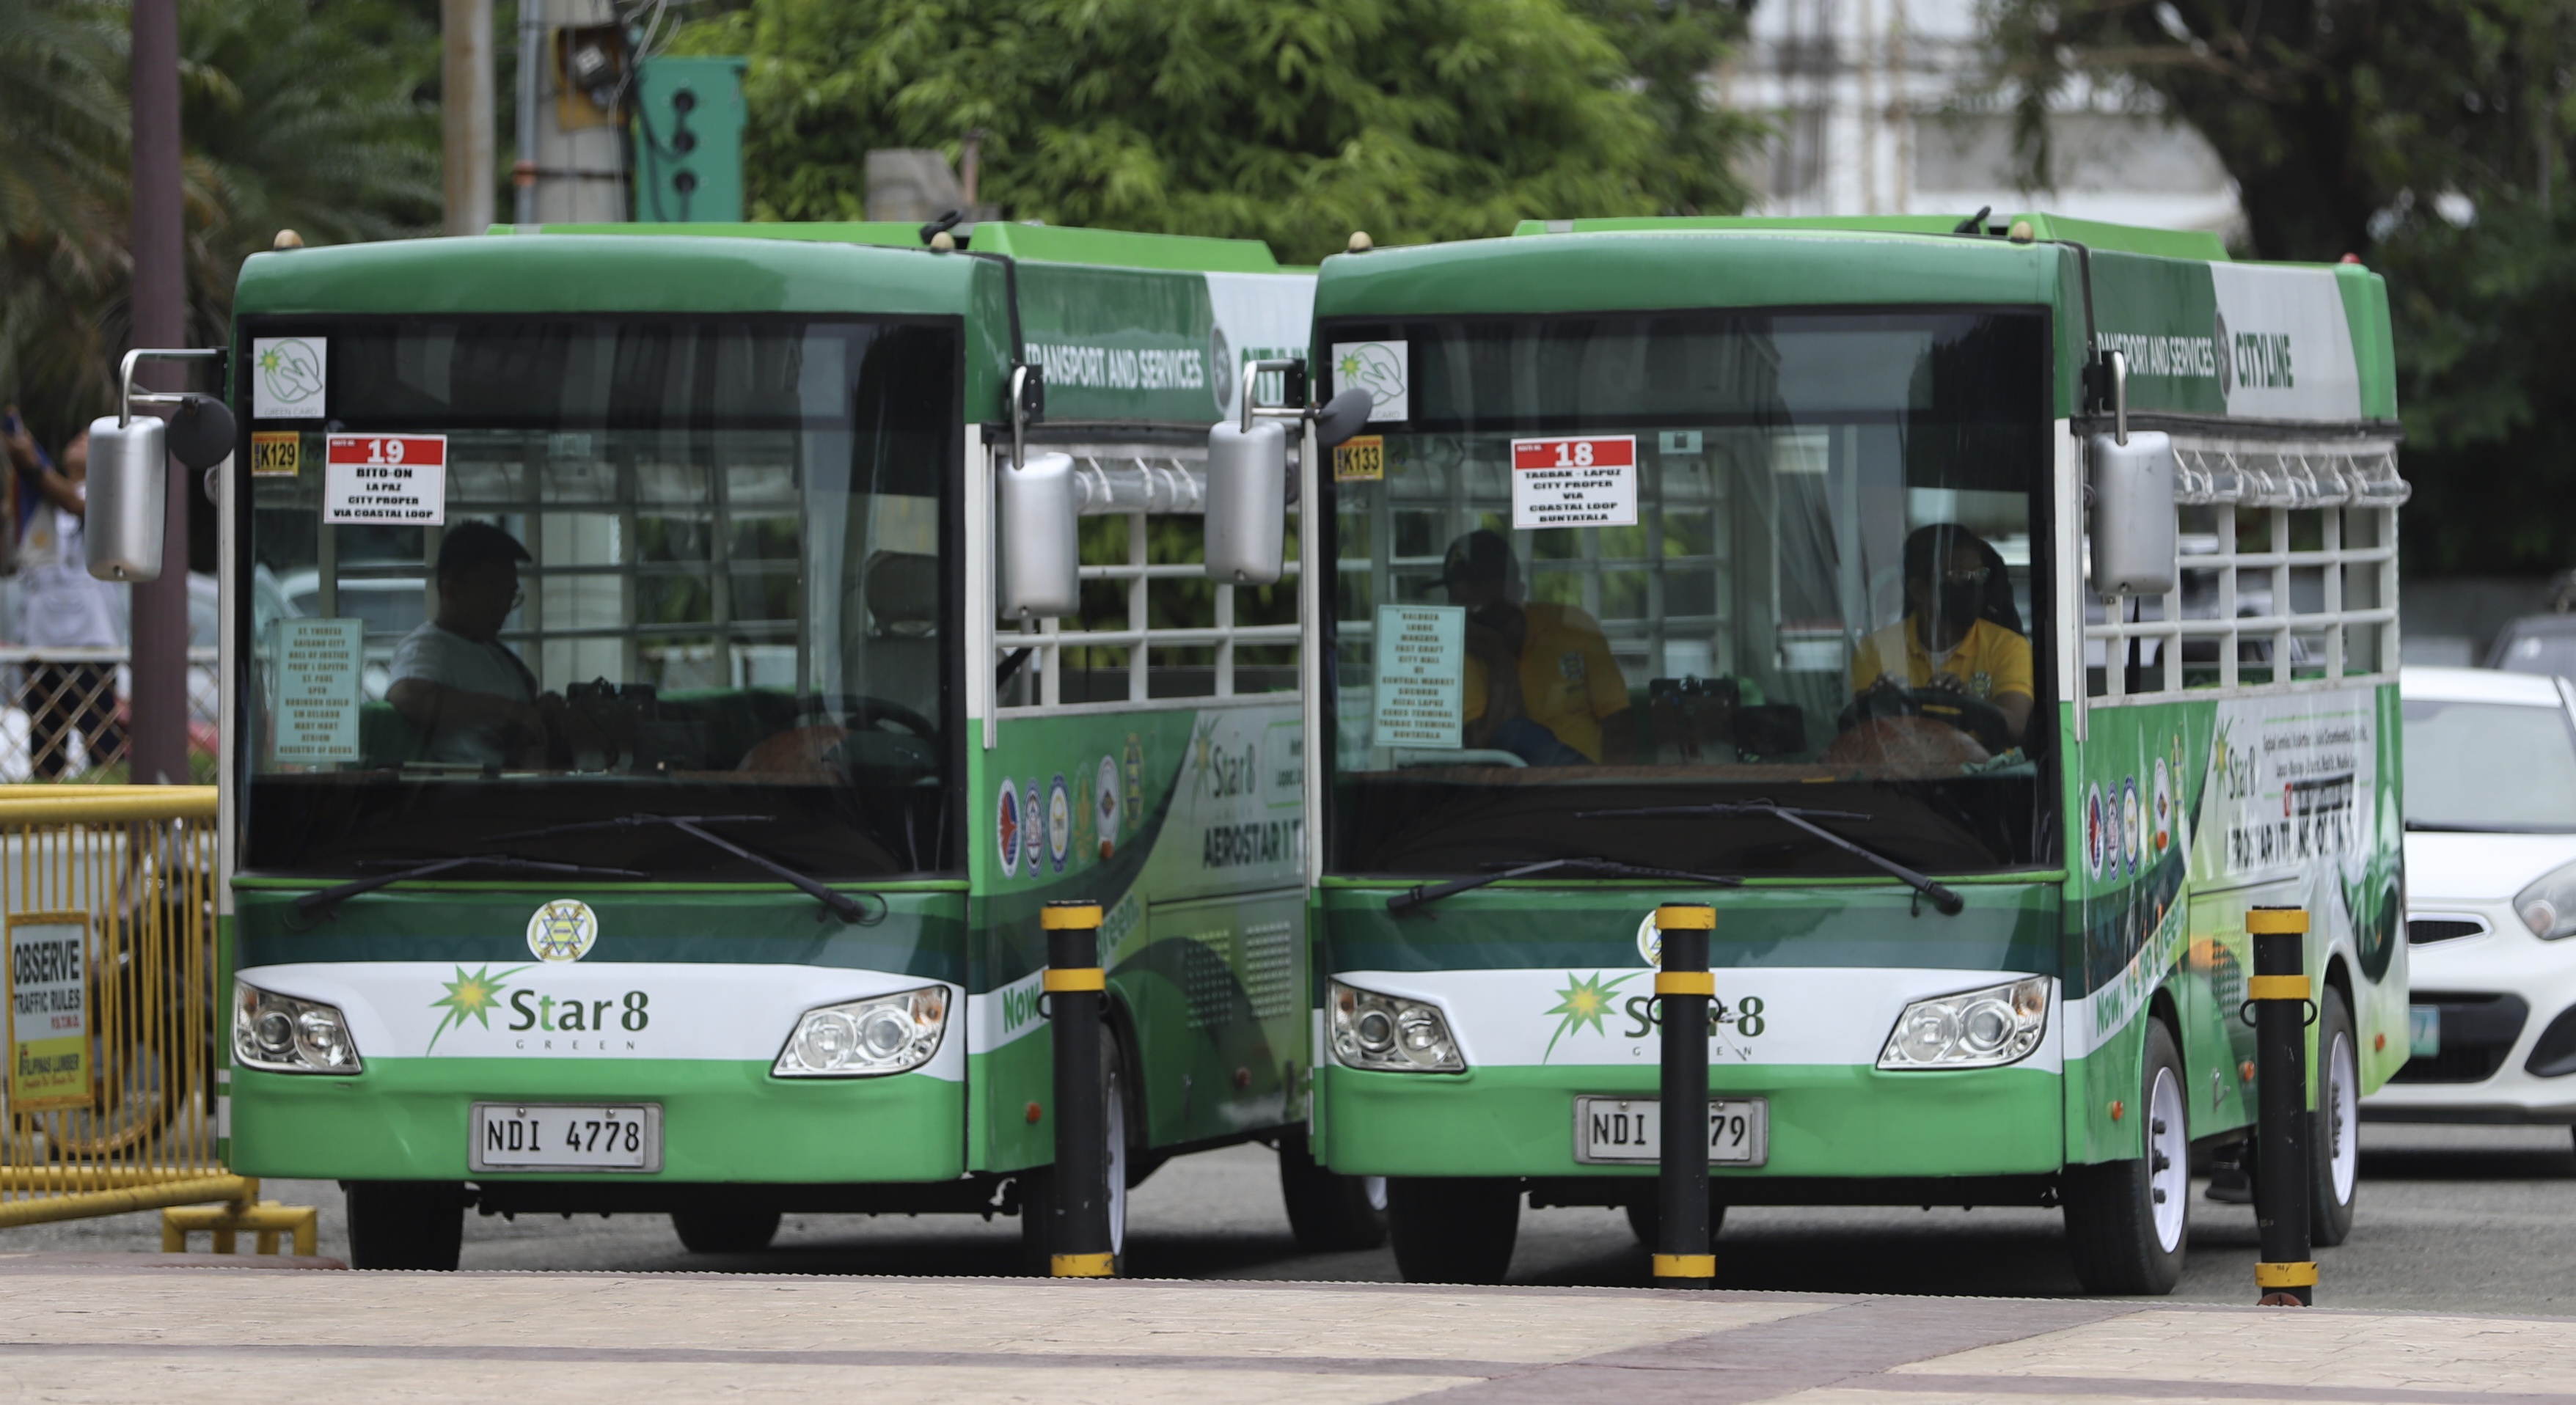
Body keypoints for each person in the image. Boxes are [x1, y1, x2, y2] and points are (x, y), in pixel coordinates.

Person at [1441, 529, 1636, 765]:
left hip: (1588, 776)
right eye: (1455, 597)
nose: (1468, 614)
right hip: (1518, 783)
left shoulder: (1570, 626)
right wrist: (1498, 660)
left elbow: (1618, 720)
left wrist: (1607, 781)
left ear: (1517, 592)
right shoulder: (1461, 651)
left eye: (1477, 594)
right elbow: (1487, 745)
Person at [3, 416, 126, 777]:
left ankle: (113, 807)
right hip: (41, 642)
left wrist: (34, 468)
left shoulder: (105, 495)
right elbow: (9, 562)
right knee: (46, 749)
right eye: (79, 436)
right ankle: (51, 811)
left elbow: (75, 503)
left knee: (101, 742)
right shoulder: (40, 501)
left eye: (89, 440)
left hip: (91, 642)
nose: (79, 440)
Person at [387, 521, 566, 767]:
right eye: (494, 595)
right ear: (451, 592)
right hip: (470, 787)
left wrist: (538, 713)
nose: (505, 608)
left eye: (511, 596)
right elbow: (407, 695)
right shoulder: (429, 647)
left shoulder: (493, 652)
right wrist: (506, 710)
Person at [1848, 524, 2033, 745]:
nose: (1973, 585)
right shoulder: (1875, 650)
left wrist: (1971, 704)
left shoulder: (2009, 646)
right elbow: (1862, 734)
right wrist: (1885, 705)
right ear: (1919, 590)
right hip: (1902, 764)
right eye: (1959, 575)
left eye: (1979, 575)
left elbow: (2017, 726)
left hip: (1987, 767)